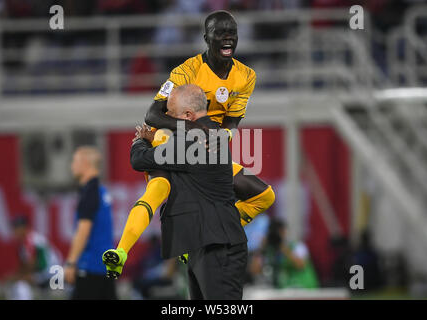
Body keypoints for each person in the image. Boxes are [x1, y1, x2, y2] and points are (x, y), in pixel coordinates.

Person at [102, 10, 275, 280]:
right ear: (206, 37)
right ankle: (121, 252)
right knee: (158, 189)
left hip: (208, 150)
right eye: (221, 32)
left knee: (264, 196)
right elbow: (153, 114)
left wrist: (218, 139)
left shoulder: (246, 76)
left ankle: (199, 236)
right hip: (174, 137)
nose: (228, 37)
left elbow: (232, 123)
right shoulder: (187, 70)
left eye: (232, 32)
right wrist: (198, 129)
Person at [105, 84, 248, 299]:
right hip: (206, 243)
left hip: (217, 246)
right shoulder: (206, 136)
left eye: (170, 115)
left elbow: (139, 159)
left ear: (188, 115)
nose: (166, 120)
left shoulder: (196, 141)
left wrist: (140, 140)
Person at [65, 146, 116, 300]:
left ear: (85, 163)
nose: (71, 166)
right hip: (105, 266)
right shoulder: (101, 191)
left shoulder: (90, 192)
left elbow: (83, 230)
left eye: (74, 161)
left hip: (90, 266)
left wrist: (71, 262)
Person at [5, 215, 61, 300]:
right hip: (46, 272)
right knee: (17, 281)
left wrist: (17, 276)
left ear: (24, 227)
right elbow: (25, 266)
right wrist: (16, 275)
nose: (14, 231)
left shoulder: (31, 239)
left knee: (20, 284)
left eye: (16, 227)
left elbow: (32, 264)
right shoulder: (24, 243)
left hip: (53, 274)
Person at [257, 218, 319, 289]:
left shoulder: (297, 246)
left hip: (305, 288)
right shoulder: (270, 251)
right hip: (286, 290)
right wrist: (261, 249)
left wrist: (283, 247)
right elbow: (255, 270)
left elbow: (300, 265)